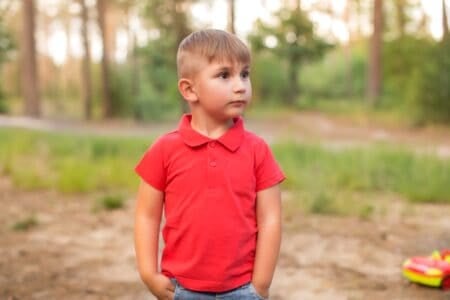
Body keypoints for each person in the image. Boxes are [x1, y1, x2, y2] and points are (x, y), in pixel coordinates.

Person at [134, 29, 285, 300]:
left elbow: (271, 218)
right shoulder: (164, 150)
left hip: (242, 290)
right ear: (189, 90)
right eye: (224, 75)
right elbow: (147, 216)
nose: (240, 85)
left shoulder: (257, 150)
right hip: (181, 289)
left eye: (245, 74)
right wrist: (149, 274)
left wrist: (260, 284)